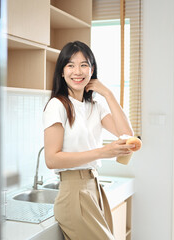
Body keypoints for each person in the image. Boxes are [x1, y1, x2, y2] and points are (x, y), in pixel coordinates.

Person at [43, 41, 134, 240]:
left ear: (92, 70)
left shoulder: (94, 106)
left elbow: (128, 136)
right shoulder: (57, 105)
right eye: (70, 65)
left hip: (94, 189)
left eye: (84, 65)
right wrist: (102, 152)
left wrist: (108, 93)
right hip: (73, 194)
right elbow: (51, 159)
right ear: (62, 71)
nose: (78, 71)